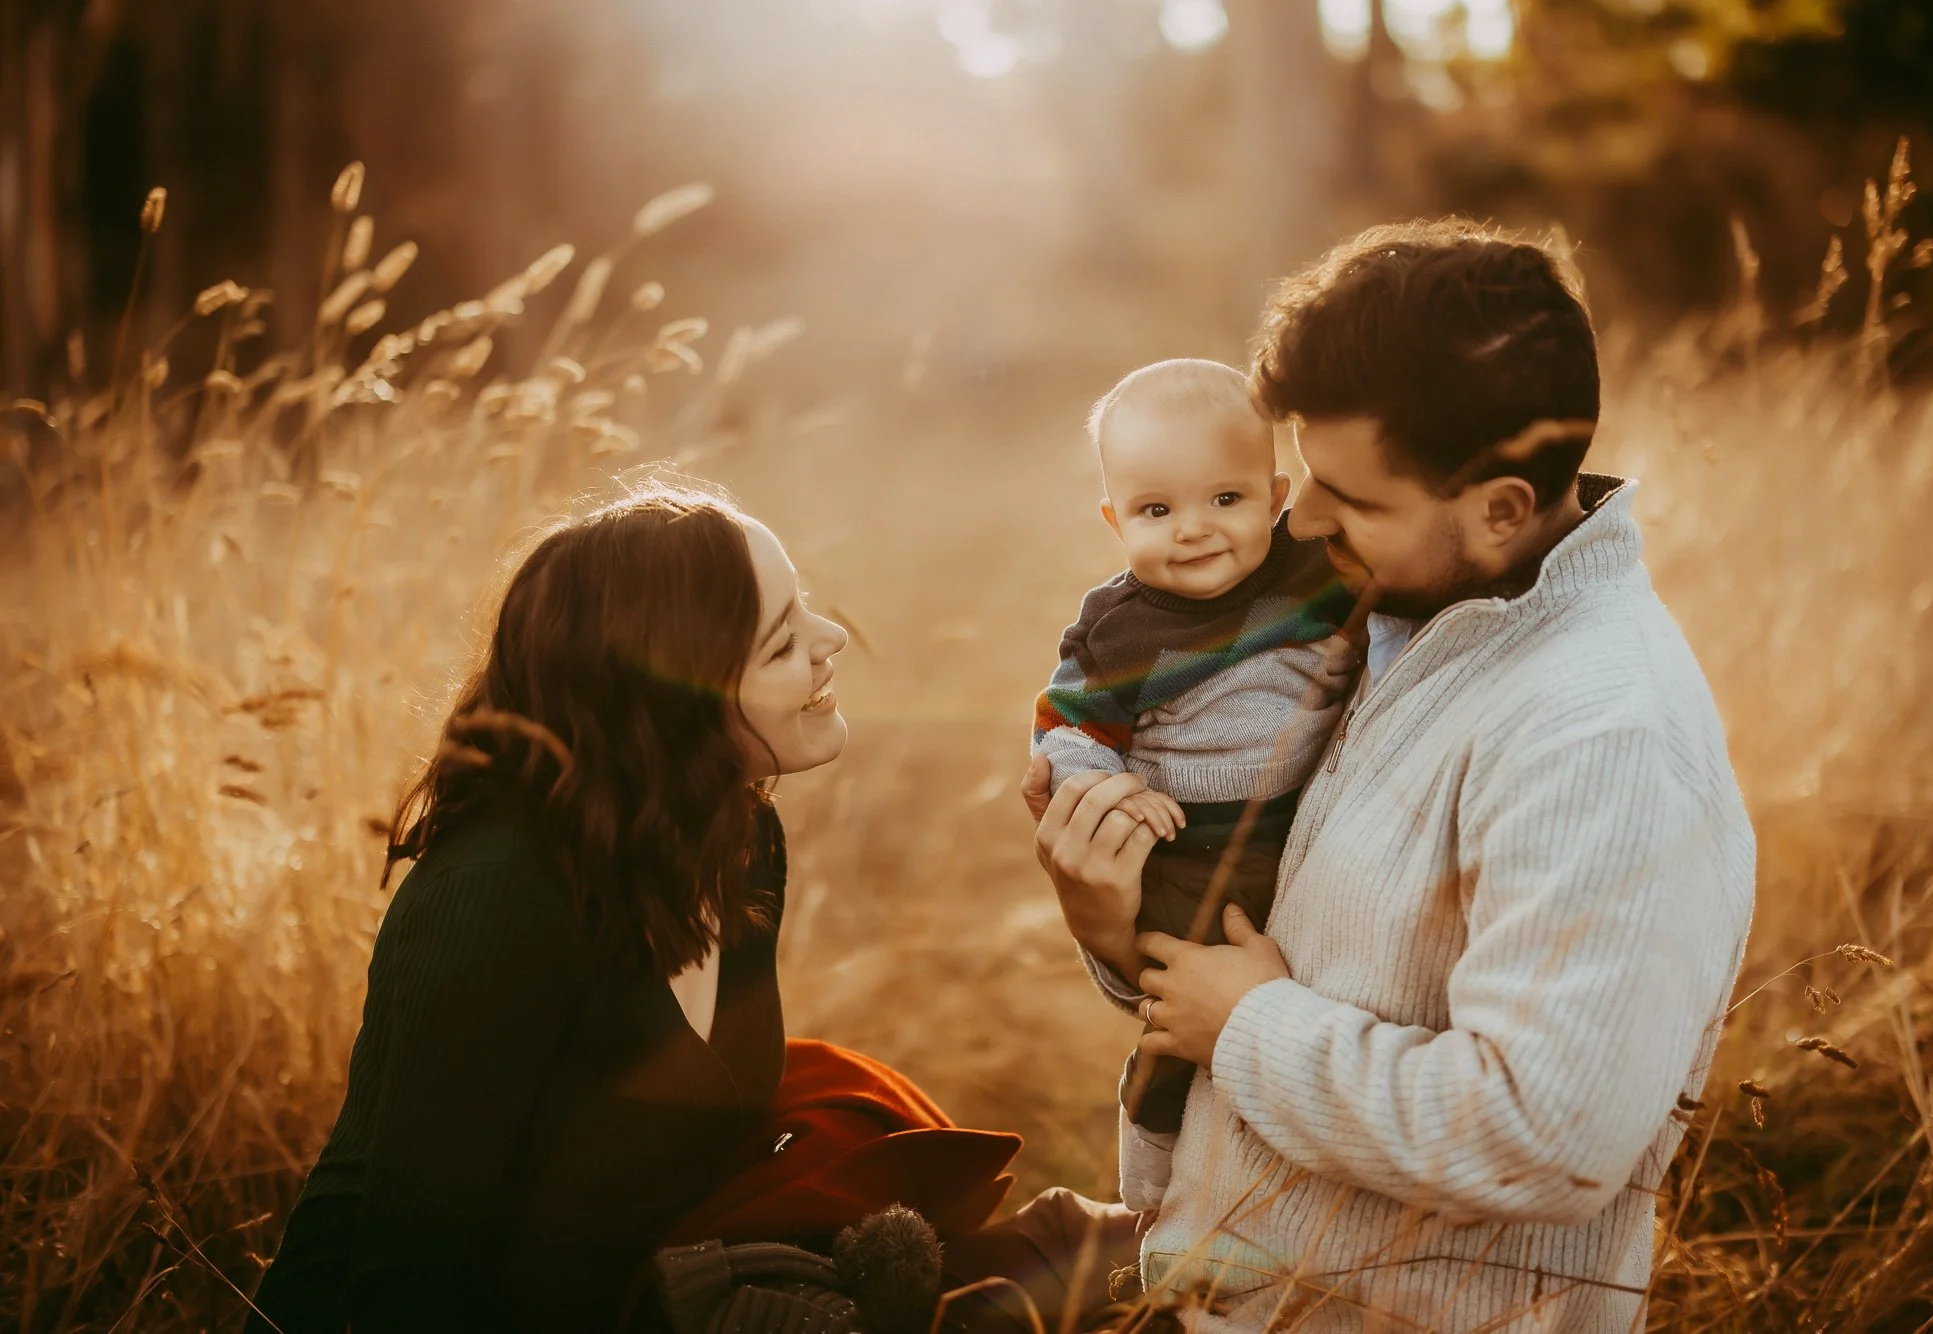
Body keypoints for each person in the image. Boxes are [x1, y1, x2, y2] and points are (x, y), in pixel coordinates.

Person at [1025, 220, 1757, 1331]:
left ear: (1500, 506)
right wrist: (1113, 921)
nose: (1298, 517)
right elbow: (1284, 945)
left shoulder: (1601, 737)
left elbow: (1546, 1135)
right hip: (1220, 1282)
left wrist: (1251, 1028)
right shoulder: (1388, 616)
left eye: (1346, 497)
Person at [246, 484, 1139, 1334]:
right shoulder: (497, 896)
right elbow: (409, 1271)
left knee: (1120, 1255)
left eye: (808, 613)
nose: (830, 640)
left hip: (696, 1292)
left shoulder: (739, 845)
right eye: (782, 643)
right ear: (676, 700)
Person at [1029, 358, 1354, 1212]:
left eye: (1226, 500)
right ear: (1114, 519)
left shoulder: (1314, 576)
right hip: (1185, 858)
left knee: (1295, 1003)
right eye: (1156, 510)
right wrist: (1110, 789)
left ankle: (1288, 1186)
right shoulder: (1120, 627)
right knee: (1179, 1025)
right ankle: (1152, 1203)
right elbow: (1066, 727)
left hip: (1299, 843)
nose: (1194, 530)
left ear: (1277, 494)